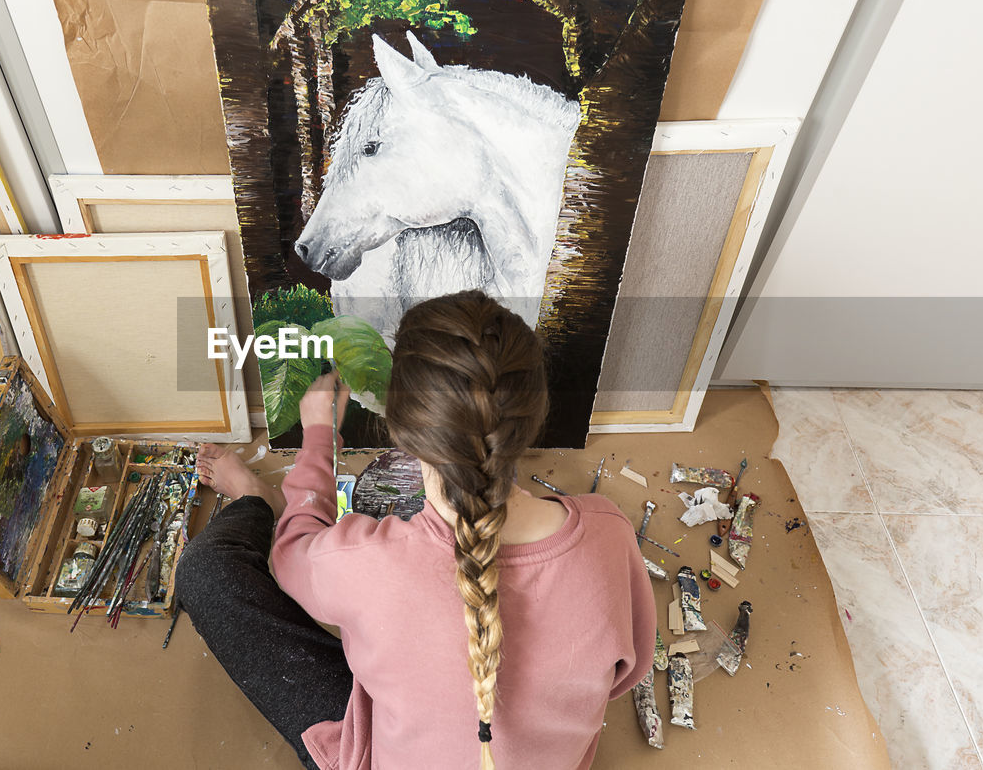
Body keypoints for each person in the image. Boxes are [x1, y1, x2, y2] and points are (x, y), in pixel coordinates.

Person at [176, 291, 656, 769]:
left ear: (401, 431)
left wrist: (319, 437)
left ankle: (255, 501)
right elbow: (623, 676)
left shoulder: (366, 563)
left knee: (206, 574)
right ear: (531, 417)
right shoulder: (608, 533)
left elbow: (292, 551)